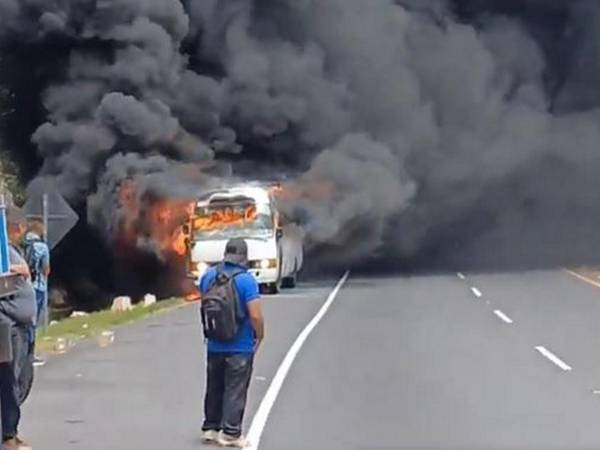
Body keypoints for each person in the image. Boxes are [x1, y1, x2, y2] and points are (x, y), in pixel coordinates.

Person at [198, 238, 264, 448]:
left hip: (214, 343)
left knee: (214, 387)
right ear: (244, 257)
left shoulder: (208, 277)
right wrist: (260, 335)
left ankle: (210, 427)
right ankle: (231, 433)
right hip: (240, 345)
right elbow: (255, 315)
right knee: (235, 389)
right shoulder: (246, 281)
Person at [1, 206, 36, 450]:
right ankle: (8, 437)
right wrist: (18, 270)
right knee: (9, 383)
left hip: (23, 326)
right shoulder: (3, 250)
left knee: (22, 380)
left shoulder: (11, 249)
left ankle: (11, 432)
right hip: (8, 327)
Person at [23, 218, 50, 366]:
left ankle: (22, 351)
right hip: (38, 287)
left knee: (24, 321)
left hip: (23, 287)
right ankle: (30, 354)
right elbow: (46, 269)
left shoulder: (21, 244)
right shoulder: (42, 247)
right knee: (33, 322)